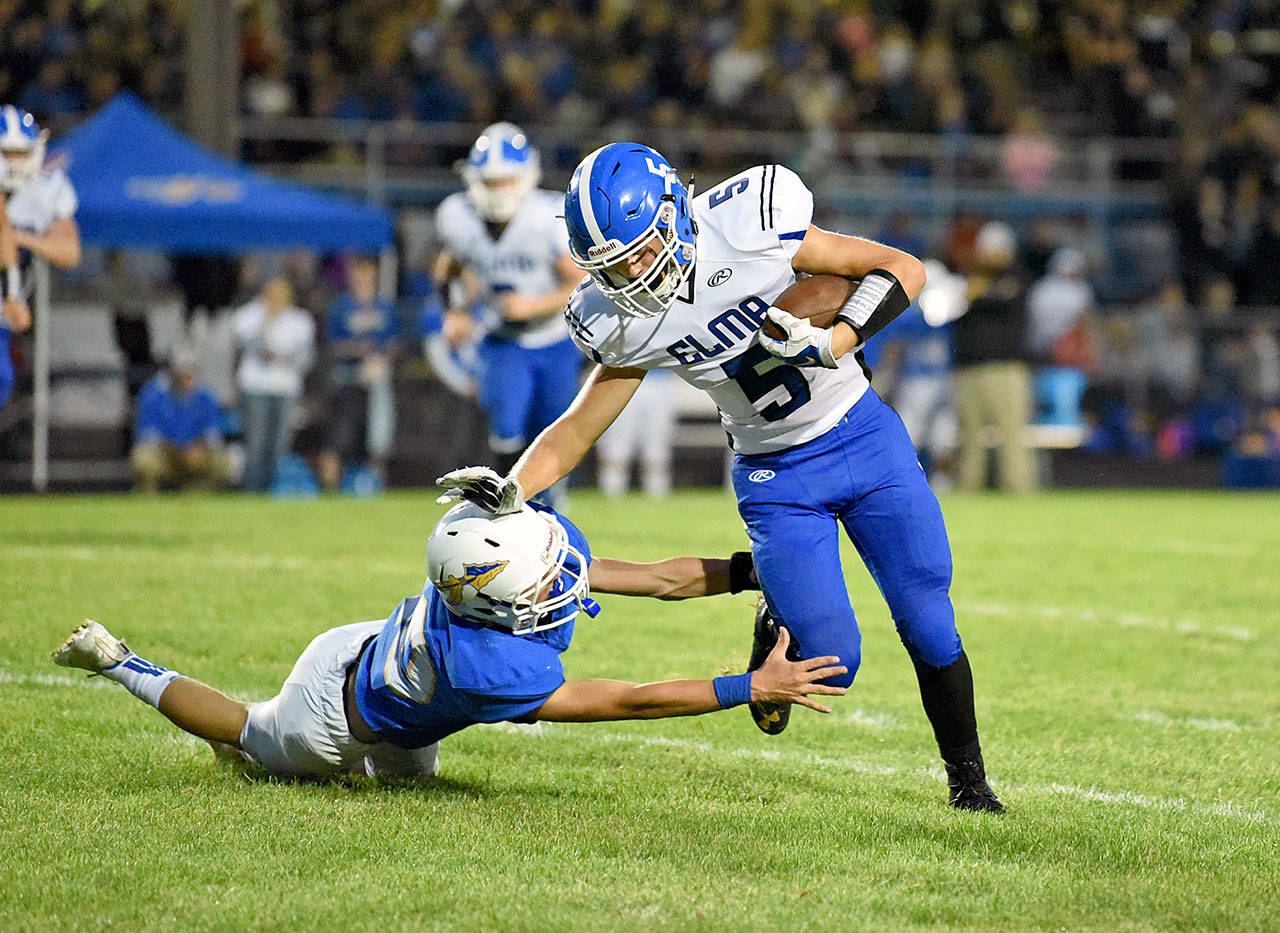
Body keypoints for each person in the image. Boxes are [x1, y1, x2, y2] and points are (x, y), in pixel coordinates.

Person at [439, 144, 1003, 811]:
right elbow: (575, 428)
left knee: (928, 617)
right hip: (777, 477)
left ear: (674, 212)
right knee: (831, 665)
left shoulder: (750, 221)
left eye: (640, 252)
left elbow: (898, 269)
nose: (632, 275)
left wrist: (834, 341)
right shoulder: (621, 318)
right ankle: (775, 612)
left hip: (863, 436)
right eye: (613, 266)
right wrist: (513, 489)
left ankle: (969, 782)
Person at [51, 501, 845, 781]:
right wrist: (752, 687)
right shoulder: (494, 664)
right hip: (331, 719)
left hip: (373, 655)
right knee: (255, 737)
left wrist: (755, 569)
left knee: (410, 783)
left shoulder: (486, 578)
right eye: (544, 578)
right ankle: (121, 661)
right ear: (504, 601)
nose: (562, 578)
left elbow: (651, 576)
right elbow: (629, 701)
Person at [432, 123, 583, 505]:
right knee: (507, 428)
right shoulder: (458, 216)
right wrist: (455, 310)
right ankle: (512, 505)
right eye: (491, 182)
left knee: (550, 431)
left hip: (554, 339)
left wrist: (532, 305)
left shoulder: (545, 218)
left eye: (505, 181)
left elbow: (582, 284)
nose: (498, 190)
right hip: (503, 341)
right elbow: (447, 267)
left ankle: (550, 505)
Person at [1, 104, 80, 411]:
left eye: (22, 153)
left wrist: (24, 238)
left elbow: (70, 252)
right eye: (8, 152)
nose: (17, 163)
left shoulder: (47, 188)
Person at [952, 222, 1036, 493]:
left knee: (1012, 434)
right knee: (969, 436)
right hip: (969, 368)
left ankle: (1018, 489)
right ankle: (967, 488)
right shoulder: (966, 280)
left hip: (1006, 368)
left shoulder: (1017, 277)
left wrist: (977, 294)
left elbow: (1003, 300)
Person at [318, 256, 398, 492]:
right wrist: (356, 349)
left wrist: (380, 352)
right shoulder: (342, 307)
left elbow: (396, 342)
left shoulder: (384, 307)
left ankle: (375, 478)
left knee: (378, 427)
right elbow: (331, 345)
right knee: (341, 436)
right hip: (348, 378)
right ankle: (332, 485)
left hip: (377, 378)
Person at [232, 277, 316, 492]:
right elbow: (240, 335)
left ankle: (276, 490)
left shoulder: (299, 320)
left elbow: (306, 357)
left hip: (285, 389)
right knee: (255, 444)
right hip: (255, 388)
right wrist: (266, 321)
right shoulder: (251, 314)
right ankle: (252, 490)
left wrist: (283, 356)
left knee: (279, 445)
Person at [130, 346, 229, 493]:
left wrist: (198, 448)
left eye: (190, 373)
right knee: (143, 458)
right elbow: (148, 435)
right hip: (165, 454)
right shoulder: (153, 393)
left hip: (195, 455)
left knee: (223, 461)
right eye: (182, 373)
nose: (186, 378)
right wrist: (177, 450)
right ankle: (147, 496)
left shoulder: (205, 395)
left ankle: (198, 495)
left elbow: (212, 434)